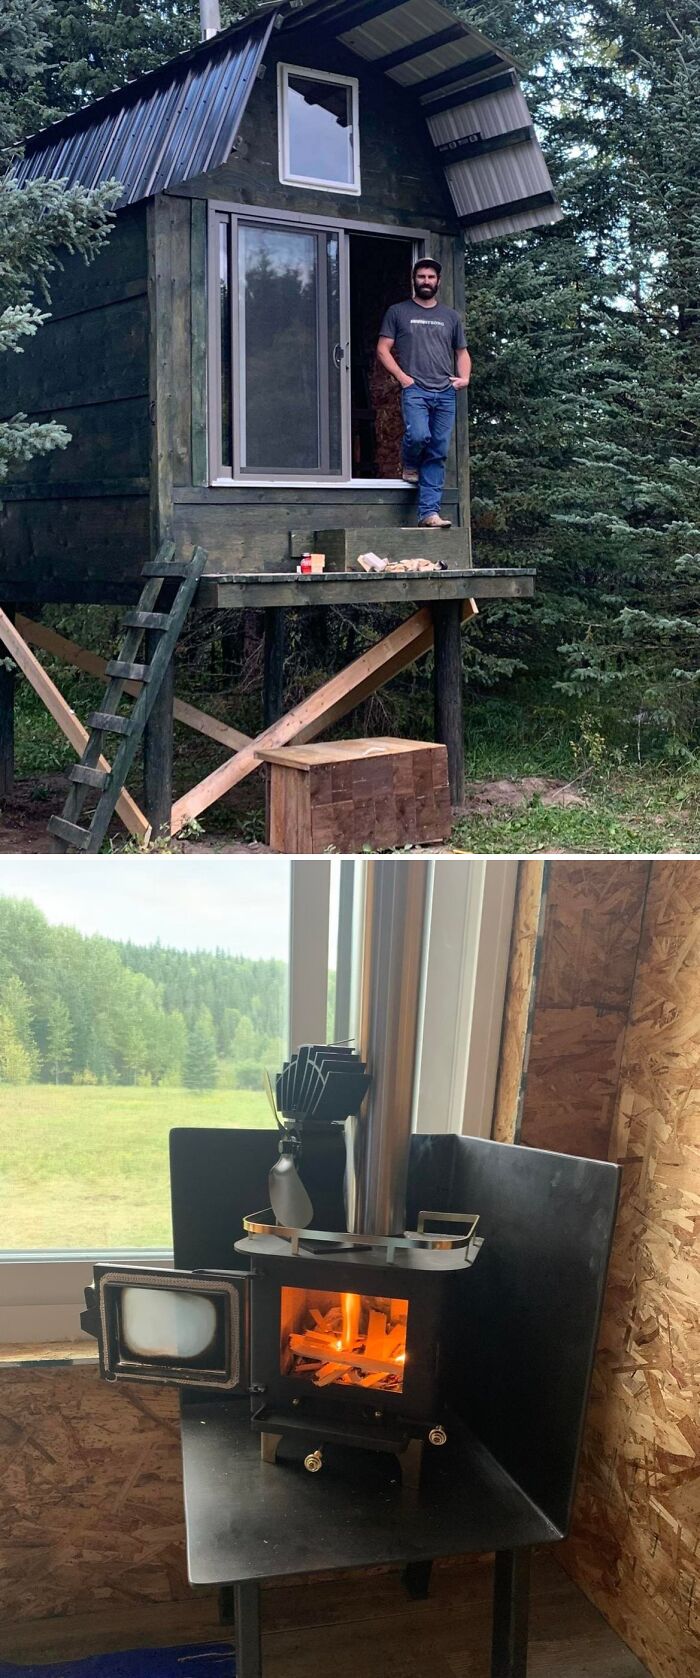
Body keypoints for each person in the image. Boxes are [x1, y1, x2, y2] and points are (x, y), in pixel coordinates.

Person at [377, 259, 471, 528]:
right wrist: (404, 378)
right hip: (415, 389)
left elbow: (461, 352)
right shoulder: (398, 312)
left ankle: (429, 513)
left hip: (445, 392)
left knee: (437, 452)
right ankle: (409, 464)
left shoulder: (450, 317)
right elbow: (383, 349)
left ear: (438, 281)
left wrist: (464, 378)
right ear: (414, 280)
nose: (426, 281)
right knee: (419, 435)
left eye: (431, 277)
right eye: (421, 276)